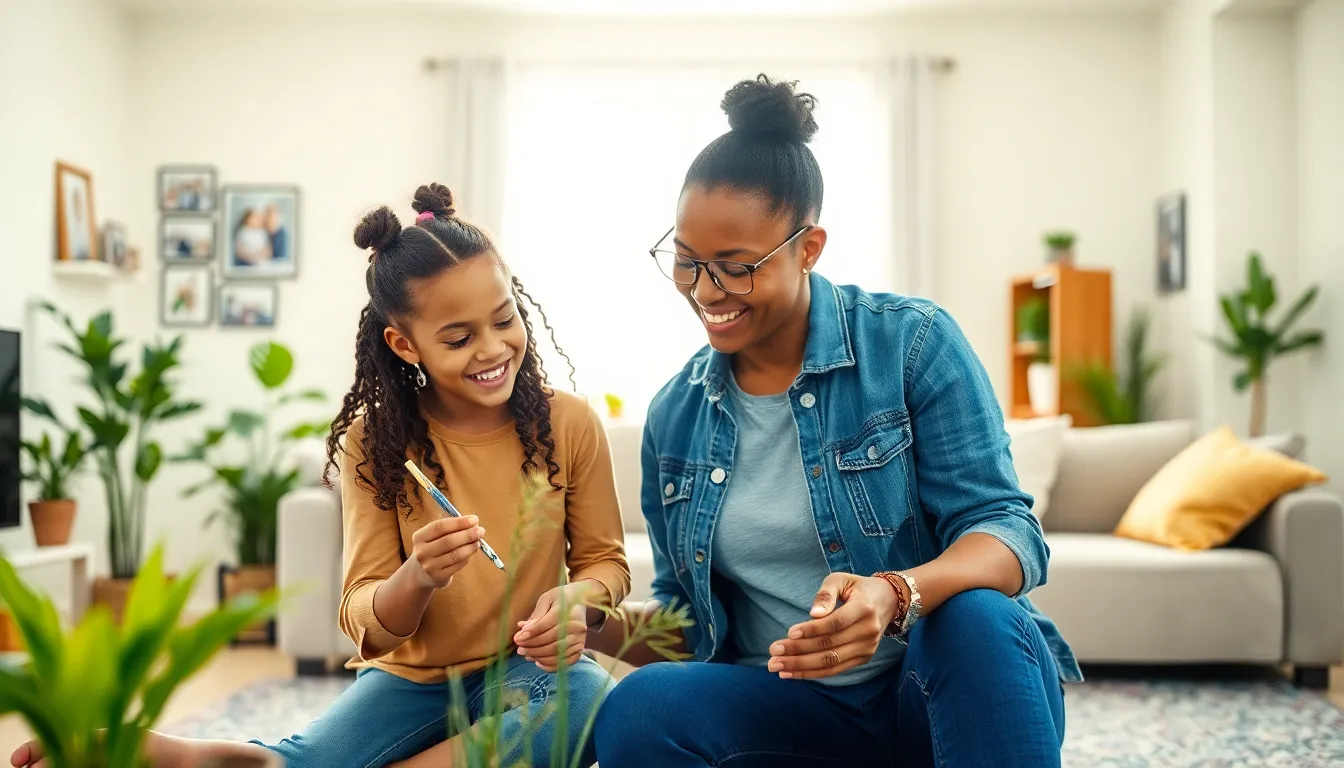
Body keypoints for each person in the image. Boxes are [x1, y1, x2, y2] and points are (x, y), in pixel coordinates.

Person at [10, 183, 629, 768]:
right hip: (410, 682)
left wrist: (578, 600)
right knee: (301, 756)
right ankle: (197, 756)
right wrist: (418, 575)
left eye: (503, 318)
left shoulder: (567, 423)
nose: (493, 348)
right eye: (459, 337)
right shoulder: (377, 441)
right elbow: (364, 616)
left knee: (590, 699)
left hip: (529, 669)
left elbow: (608, 563)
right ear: (405, 345)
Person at [589, 75, 1081, 767]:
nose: (705, 291)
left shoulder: (912, 345)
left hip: (940, 691)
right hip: (792, 715)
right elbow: (685, 622)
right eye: (687, 262)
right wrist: (585, 630)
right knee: (641, 707)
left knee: (975, 615)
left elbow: (1007, 534)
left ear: (809, 247)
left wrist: (895, 592)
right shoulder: (678, 414)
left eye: (735, 267)